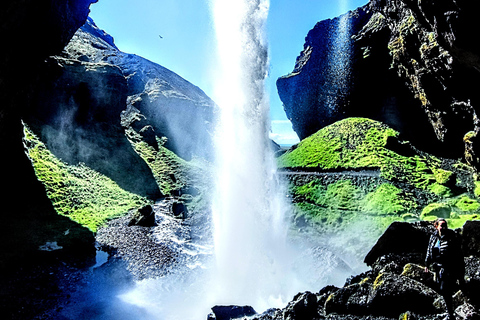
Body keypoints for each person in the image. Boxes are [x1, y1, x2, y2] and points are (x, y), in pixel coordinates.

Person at [425, 218, 465, 320]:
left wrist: (459, 272)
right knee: (442, 289)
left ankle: (450, 314)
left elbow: (458, 254)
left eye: (445, 225)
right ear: (436, 226)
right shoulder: (433, 237)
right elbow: (429, 251)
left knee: (445, 289)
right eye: (441, 225)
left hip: (449, 268)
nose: (443, 228)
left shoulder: (451, 237)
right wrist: (426, 264)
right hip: (437, 268)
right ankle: (449, 312)